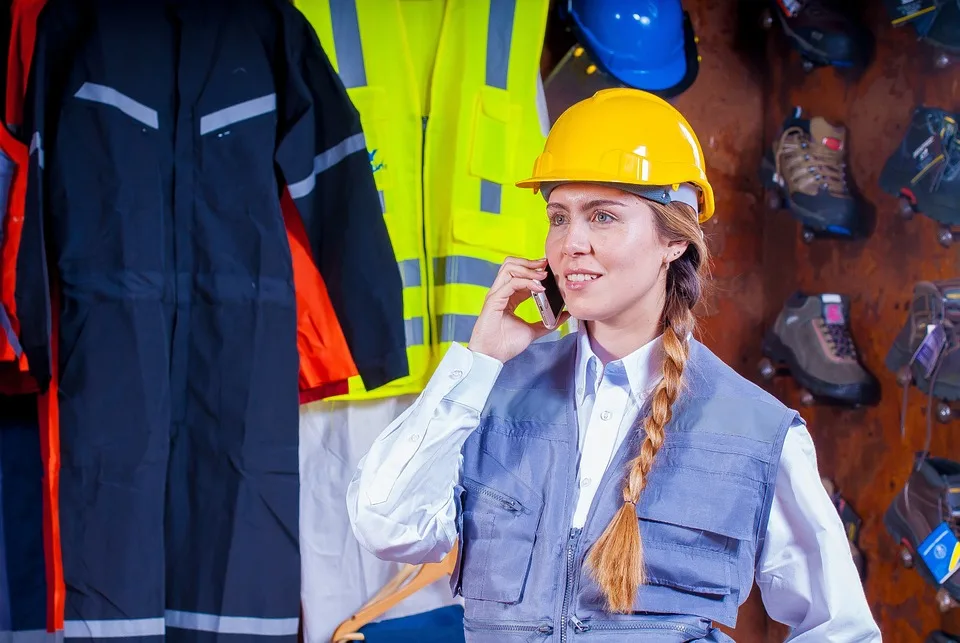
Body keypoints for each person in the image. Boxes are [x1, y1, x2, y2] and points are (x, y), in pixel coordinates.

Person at [346, 88, 881, 642]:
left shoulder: (757, 432)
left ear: (674, 240)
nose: (570, 243)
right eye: (558, 217)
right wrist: (479, 361)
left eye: (602, 216)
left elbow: (840, 630)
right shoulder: (488, 393)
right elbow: (386, 526)